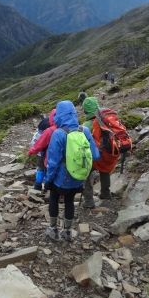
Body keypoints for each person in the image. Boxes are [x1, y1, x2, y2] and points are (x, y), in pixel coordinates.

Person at [44, 101, 100, 241]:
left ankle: (53, 229)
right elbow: (96, 155)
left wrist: (48, 180)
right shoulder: (84, 131)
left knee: (54, 198)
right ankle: (67, 231)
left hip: (61, 178)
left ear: (60, 114)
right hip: (78, 177)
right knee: (69, 201)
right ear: (74, 113)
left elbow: (53, 162)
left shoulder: (58, 134)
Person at [81, 97, 118, 208]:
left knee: (84, 173)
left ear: (85, 110)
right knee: (104, 171)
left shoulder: (86, 125)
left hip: (96, 157)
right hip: (109, 154)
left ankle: (89, 201)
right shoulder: (106, 120)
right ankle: (105, 193)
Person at [28, 114, 53, 190]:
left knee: (40, 168)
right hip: (47, 154)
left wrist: (32, 151)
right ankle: (47, 185)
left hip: (39, 154)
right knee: (48, 169)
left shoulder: (37, 134)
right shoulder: (50, 132)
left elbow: (32, 144)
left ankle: (38, 185)